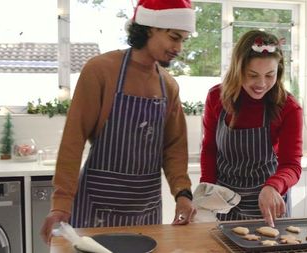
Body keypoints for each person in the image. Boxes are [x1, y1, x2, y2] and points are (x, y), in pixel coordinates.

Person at [41, 0, 197, 244]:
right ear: (149, 28)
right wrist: (61, 203)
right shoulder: (100, 71)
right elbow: (74, 139)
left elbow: (174, 150)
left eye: (183, 40)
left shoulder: (169, 86)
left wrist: (183, 194)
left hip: (146, 210)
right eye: (174, 37)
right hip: (96, 205)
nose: (179, 47)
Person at [200, 30, 302, 227]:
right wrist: (207, 190)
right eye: (252, 75)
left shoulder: (288, 107)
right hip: (224, 202)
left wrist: (274, 186)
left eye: (270, 75)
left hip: (268, 204)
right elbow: (210, 149)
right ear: (238, 70)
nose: (261, 84)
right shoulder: (216, 98)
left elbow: (292, 165)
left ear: (278, 72)